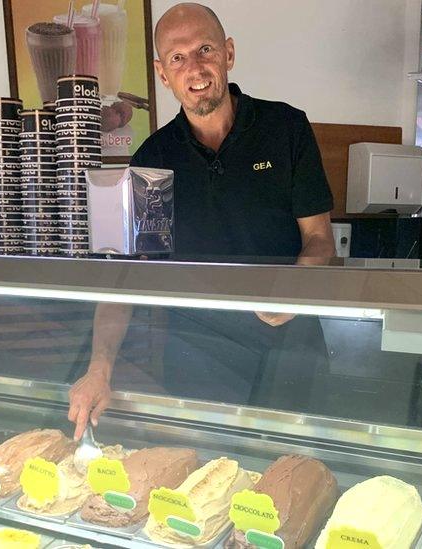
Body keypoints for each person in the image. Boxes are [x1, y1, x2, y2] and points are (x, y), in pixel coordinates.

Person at [67, 2, 335, 440]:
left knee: (297, 482)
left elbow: (319, 238)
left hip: (292, 348)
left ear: (228, 53)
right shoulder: (152, 158)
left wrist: (297, 287)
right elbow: (123, 275)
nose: (195, 67)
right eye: (177, 57)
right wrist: (99, 368)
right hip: (200, 356)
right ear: (161, 72)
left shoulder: (286, 127)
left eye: (205, 49)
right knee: (208, 484)